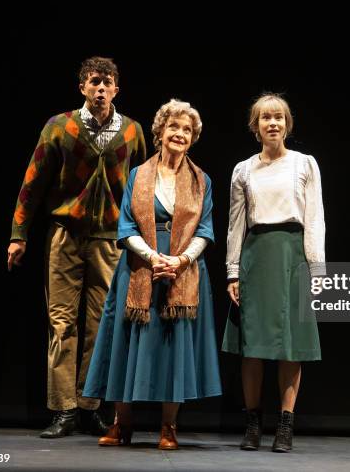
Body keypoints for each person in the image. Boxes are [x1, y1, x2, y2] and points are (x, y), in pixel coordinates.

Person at [7, 57, 146, 438]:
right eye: (94, 82)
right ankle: (63, 409)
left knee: (101, 326)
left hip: (110, 240)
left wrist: (145, 242)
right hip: (65, 235)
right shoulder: (60, 126)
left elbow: (142, 189)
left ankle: (90, 405)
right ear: (82, 87)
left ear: (117, 88)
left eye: (107, 83)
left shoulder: (132, 131)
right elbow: (33, 182)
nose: (101, 89)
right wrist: (19, 234)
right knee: (62, 322)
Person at [83, 99, 221, 450]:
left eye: (187, 130)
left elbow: (205, 231)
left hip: (182, 273)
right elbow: (126, 226)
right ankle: (121, 424)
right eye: (174, 127)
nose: (180, 134)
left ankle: (168, 428)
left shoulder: (201, 180)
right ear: (160, 132)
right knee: (125, 343)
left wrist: (179, 262)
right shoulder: (138, 175)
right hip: (140, 266)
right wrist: (153, 256)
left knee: (173, 348)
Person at [222, 93, 325, 453]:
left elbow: (314, 218)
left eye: (279, 117)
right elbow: (236, 224)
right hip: (256, 255)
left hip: (292, 255)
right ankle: (253, 424)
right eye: (266, 118)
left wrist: (317, 270)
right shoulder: (244, 170)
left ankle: (285, 425)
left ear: (287, 124)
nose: (273, 123)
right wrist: (233, 272)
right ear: (256, 126)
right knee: (252, 347)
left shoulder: (304, 164)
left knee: (290, 347)